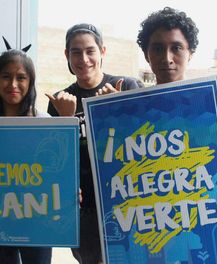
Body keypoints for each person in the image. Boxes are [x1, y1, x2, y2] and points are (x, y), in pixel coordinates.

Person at [46, 23, 144, 264]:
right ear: (67, 56)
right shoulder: (60, 101)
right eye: (76, 52)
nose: (84, 59)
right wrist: (67, 119)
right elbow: (60, 160)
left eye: (90, 51)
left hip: (124, 197)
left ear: (103, 52)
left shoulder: (126, 86)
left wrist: (115, 109)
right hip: (84, 205)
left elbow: (142, 144)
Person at [136, 7, 217, 175]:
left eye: (176, 48)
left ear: (190, 53)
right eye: (158, 48)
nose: (167, 58)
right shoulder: (135, 108)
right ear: (147, 55)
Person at [0, 38, 51, 264]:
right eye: (6, 76)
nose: (13, 84)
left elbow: (55, 167)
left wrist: (68, 189)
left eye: (21, 77)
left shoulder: (43, 121)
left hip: (36, 216)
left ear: (30, 82)